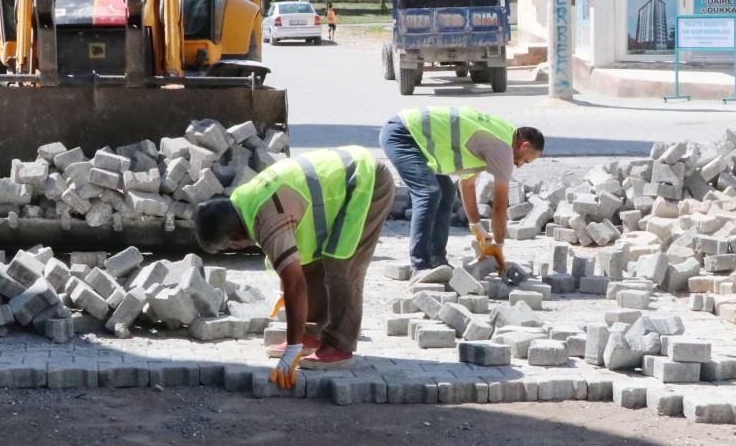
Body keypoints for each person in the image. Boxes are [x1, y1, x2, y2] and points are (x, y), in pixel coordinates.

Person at [193, 145, 396, 389]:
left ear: (234, 238)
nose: (233, 249)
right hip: (341, 182)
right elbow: (289, 261)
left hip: (366, 181)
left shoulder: (264, 216)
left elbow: (295, 283)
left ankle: (340, 345)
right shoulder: (240, 202)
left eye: (228, 247)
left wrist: (292, 351)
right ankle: (312, 332)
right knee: (311, 262)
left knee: (341, 263)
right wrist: (286, 292)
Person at [379, 107, 543, 274]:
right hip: (402, 135)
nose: (520, 165)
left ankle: (437, 260)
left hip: (416, 139)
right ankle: (420, 265)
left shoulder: (498, 135)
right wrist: (498, 245)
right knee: (429, 193)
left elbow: (467, 184)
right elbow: (500, 206)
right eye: (526, 160)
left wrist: (477, 227)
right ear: (524, 145)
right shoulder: (502, 148)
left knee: (446, 192)